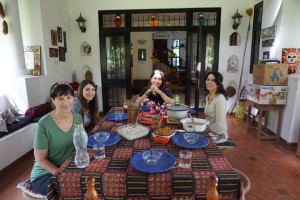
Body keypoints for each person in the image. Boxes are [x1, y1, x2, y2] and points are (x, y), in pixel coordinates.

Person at [30, 82, 83, 195]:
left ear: (73, 98)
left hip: (69, 166)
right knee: (73, 190)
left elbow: (80, 142)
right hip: (45, 174)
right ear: (53, 100)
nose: (66, 102)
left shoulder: (77, 117)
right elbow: (41, 159)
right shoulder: (43, 124)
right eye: (60, 98)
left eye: (69, 97)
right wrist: (61, 174)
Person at [204, 71, 228, 144]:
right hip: (210, 129)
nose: (209, 82)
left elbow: (219, 123)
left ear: (218, 84)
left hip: (218, 134)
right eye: (208, 79)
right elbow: (208, 118)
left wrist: (205, 129)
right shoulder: (208, 96)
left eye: (213, 80)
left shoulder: (220, 99)